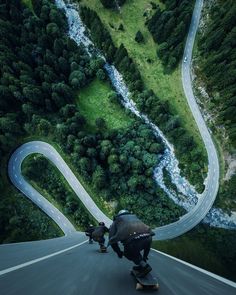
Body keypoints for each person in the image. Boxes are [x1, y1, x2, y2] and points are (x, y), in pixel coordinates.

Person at [108, 209, 155, 277]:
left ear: (118, 214)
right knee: (135, 250)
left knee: (128, 253)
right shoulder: (134, 217)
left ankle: (145, 267)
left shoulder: (117, 220)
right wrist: (145, 256)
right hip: (148, 237)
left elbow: (112, 240)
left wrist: (119, 252)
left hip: (134, 239)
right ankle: (142, 264)